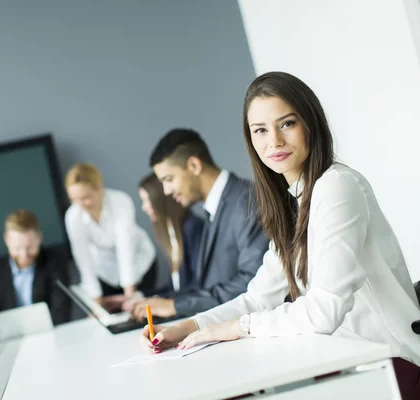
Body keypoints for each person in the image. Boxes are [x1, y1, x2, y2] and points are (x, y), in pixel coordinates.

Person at [140, 72, 420, 400]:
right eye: (260, 130)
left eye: (286, 123)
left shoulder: (336, 186)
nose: (273, 141)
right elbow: (258, 297)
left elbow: (324, 310)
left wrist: (238, 327)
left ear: (310, 124)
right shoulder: (295, 201)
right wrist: (189, 327)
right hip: (345, 360)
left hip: (390, 364)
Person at [130, 128, 269, 321]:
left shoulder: (247, 200)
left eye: (168, 179)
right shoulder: (214, 207)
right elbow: (207, 284)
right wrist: (159, 301)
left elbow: (253, 282)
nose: (166, 191)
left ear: (194, 166)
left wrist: (173, 306)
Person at [64, 163, 157, 308]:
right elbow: (83, 259)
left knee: (140, 309)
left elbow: (125, 248)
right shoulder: (73, 216)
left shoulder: (120, 201)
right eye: (74, 199)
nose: (80, 204)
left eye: (85, 197)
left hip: (139, 262)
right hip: (106, 271)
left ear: (99, 188)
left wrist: (129, 294)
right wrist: (95, 301)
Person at [0, 209, 71, 343]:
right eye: (17, 248)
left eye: (29, 247)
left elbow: (61, 312)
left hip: (50, 338)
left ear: (39, 238)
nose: (23, 255)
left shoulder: (54, 264)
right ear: (6, 239)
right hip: (10, 342)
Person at [135, 173, 203, 294]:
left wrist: (156, 301)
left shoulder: (193, 228)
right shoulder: (171, 234)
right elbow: (174, 290)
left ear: (162, 199)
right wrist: (141, 297)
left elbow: (196, 287)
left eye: (147, 201)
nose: (144, 207)